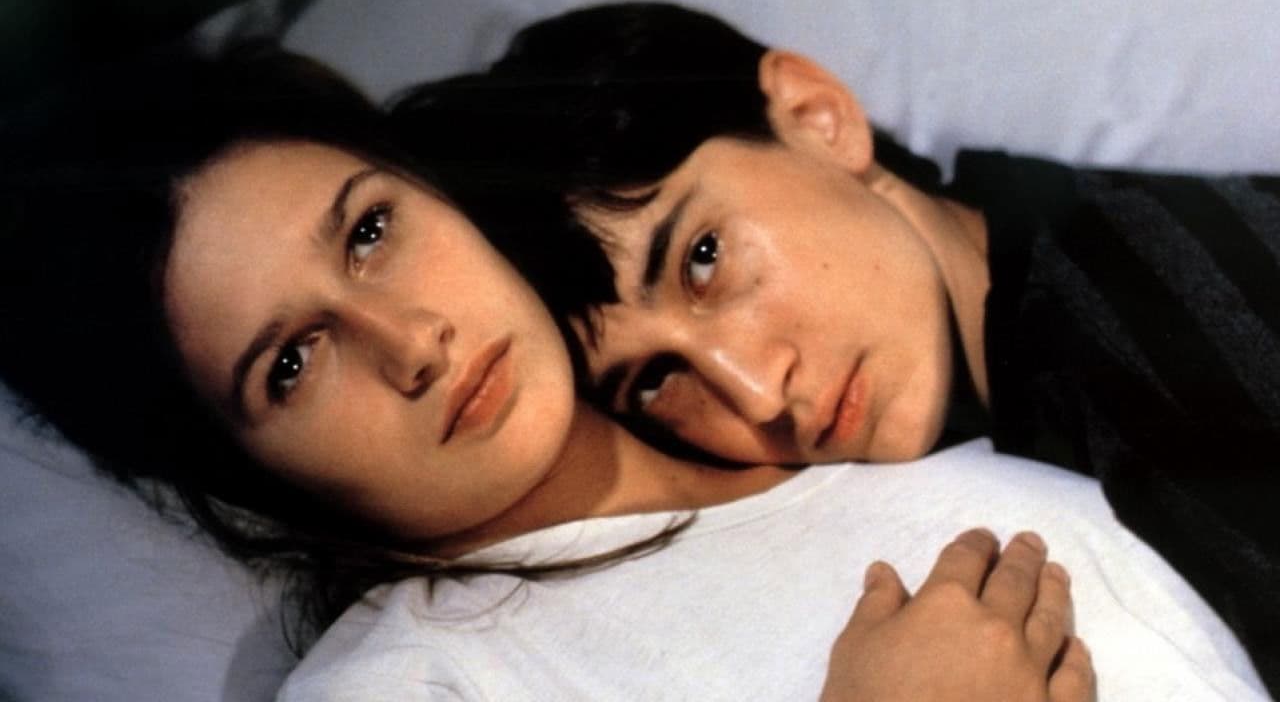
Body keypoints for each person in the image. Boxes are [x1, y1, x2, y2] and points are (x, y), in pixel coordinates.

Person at [0, 40, 1103, 701]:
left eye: (371, 231)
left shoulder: (845, 404)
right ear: (242, 471)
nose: (410, 344)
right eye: (290, 364)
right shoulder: (412, 683)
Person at [389, 1, 1280, 695]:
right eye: (655, 380)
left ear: (816, 116)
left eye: (704, 259)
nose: (754, 391)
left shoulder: (1152, 317)